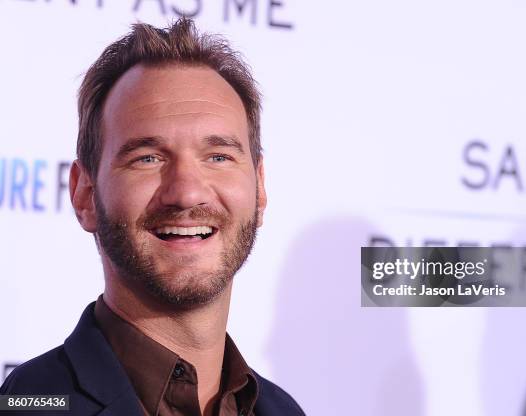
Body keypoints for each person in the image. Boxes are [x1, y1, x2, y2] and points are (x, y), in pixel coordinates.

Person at [0, 18, 304, 416]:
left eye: (218, 157)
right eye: (148, 158)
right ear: (85, 194)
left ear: (259, 188)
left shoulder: (284, 410)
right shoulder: (27, 407)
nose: (187, 192)